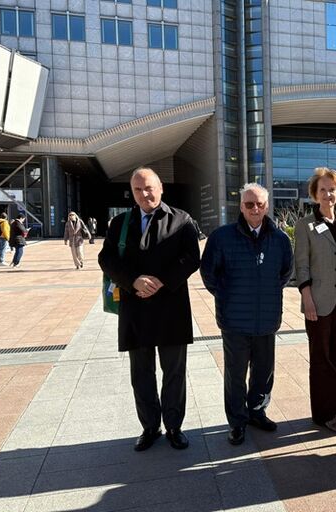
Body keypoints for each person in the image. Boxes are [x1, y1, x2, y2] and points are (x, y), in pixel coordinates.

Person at [98, 167, 200, 452]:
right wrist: (133, 280)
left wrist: (161, 281)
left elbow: (192, 258)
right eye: (138, 190)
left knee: (174, 372)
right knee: (141, 373)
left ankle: (174, 427)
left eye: (149, 188)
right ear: (132, 193)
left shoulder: (181, 219)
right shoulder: (120, 222)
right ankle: (150, 427)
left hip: (171, 308)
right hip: (136, 307)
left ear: (161, 188)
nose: (144, 194)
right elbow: (106, 258)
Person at [200, 183, 294, 446]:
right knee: (236, 375)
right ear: (241, 206)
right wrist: (226, 296)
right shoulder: (221, 237)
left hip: (266, 319)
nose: (255, 209)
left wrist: (267, 294)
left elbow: (285, 272)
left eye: (260, 204)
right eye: (249, 204)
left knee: (263, 372)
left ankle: (257, 412)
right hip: (234, 321)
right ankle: (237, 422)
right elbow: (208, 273)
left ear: (267, 206)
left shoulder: (280, 239)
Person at [294, 168, 336, 434]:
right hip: (318, 302)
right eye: (322, 189)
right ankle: (325, 415)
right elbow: (301, 266)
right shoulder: (305, 225)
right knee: (321, 358)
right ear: (315, 193)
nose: (327, 194)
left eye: (332, 189)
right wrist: (307, 298)